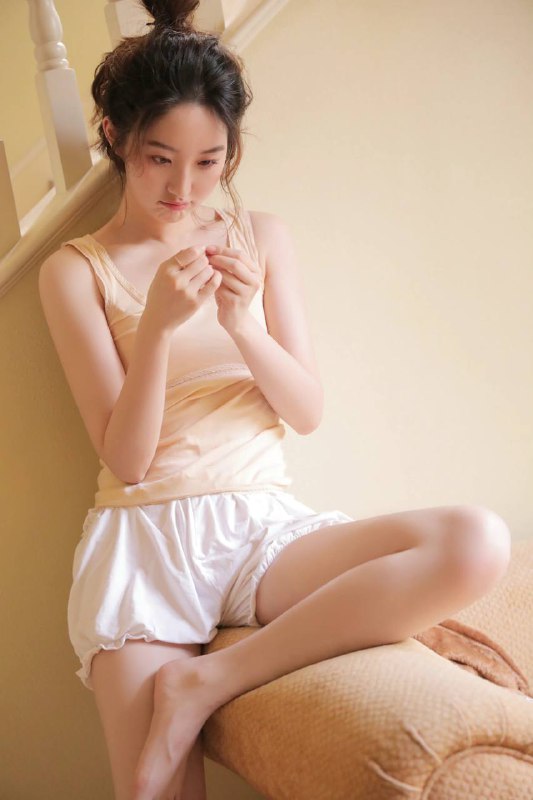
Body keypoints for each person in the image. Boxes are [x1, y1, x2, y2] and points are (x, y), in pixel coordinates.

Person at [38, 1, 512, 798]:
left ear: (232, 150)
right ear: (115, 137)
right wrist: (156, 332)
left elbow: (305, 411)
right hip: (145, 545)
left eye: (208, 161)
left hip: (260, 533)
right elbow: (127, 459)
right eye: (159, 159)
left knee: (475, 541)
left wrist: (241, 324)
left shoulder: (261, 238)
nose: (183, 187)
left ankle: (206, 682)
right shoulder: (75, 270)